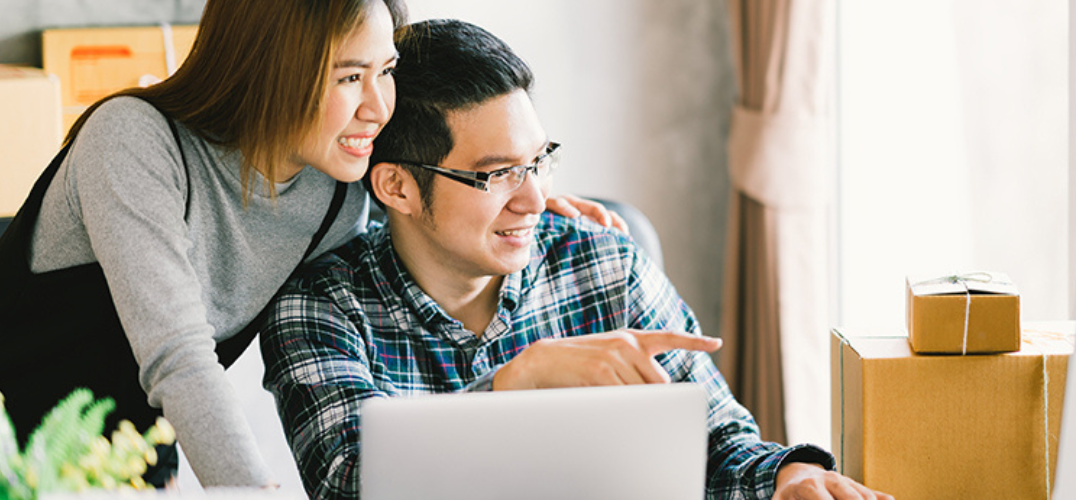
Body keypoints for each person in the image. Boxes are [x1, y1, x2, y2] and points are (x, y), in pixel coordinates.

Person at [260, 19, 893, 500]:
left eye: (537, 161)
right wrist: (516, 384)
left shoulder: (601, 262)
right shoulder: (319, 305)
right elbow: (347, 481)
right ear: (396, 187)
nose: (535, 199)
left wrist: (789, 476)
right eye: (498, 174)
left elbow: (718, 439)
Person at [0, 0, 619, 488]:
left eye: (386, 71)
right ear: (270, 68)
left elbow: (434, 202)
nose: (378, 107)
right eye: (350, 76)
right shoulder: (133, 139)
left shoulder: (339, 189)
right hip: (15, 455)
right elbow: (180, 360)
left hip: (122, 461)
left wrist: (522, 192)